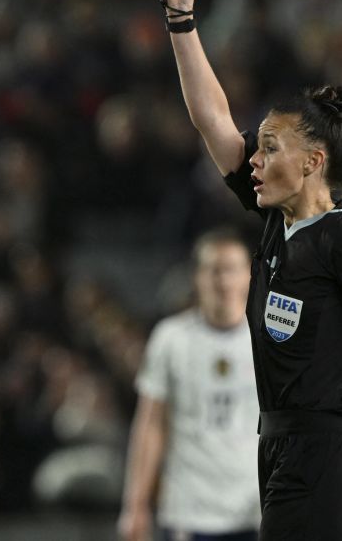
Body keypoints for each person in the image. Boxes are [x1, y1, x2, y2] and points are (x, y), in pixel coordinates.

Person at [158, 0, 342, 540]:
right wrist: (182, 22)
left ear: (312, 163)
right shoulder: (274, 220)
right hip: (278, 444)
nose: (253, 161)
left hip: (324, 452)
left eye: (268, 148)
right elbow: (211, 119)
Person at [118, 229, 261, 541]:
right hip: (190, 507)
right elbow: (151, 424)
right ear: (197, 277)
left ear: (249, 275)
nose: (224, 282)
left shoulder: (269, 338)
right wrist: (135, 504)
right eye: (214, 270)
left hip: (255, 508)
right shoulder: (171, 338)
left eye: (233, 270)